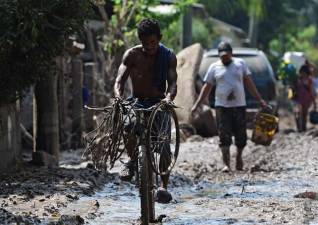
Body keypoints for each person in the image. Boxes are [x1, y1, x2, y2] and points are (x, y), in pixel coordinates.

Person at [114, 18, 177, 203]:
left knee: (164, 146)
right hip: (137, 102)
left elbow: (173, 83)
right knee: (128, 127)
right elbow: (119, 81)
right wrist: (118, 97)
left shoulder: (168, 56)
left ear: (160, 38)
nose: (150, 47)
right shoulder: (131, 55)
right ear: (140, 40)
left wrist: (168, 98)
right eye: (145, 43)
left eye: (153, 42)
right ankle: (132, 160)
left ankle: (164, 185)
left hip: (159, 103)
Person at [191, 41, 268, 172]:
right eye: (222, 55)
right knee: (223, 134)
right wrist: (197, 104)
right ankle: (226, 163)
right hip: (222, 106)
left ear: (231, 53)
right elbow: (207, 87)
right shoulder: (214, 67)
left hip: (239, 105)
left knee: (240, 134)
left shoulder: (240, 64)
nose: (224, 57)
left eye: (226, 55)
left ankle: (239, 157)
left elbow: (249, 83)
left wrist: (260, 100)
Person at [293, 65, 315, 132]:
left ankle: (303, 127)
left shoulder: (309, 79)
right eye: (302, 72)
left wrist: (313, 99)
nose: (303, 73)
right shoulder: (297, 79)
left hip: (306, 98)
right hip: (298, 98)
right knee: (298, 112)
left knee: (305, 113)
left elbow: (311, 89)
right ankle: (299, 127)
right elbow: (294, 88)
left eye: (304, 72)